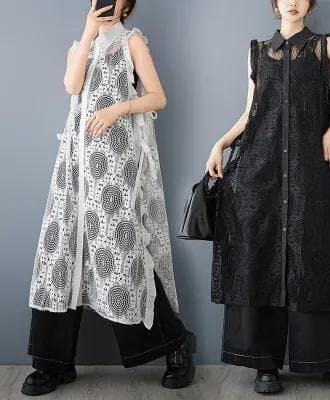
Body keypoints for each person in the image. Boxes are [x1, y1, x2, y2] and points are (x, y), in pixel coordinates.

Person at [21, 0, 195, 396]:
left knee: (121, 251)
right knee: (61, 253)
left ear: (126, 5)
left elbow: (158, 97)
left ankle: (176, 344)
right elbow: (72, 86)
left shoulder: (132, 42)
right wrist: (87, 32)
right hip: (74, 164)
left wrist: (119, 108)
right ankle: (53, 364)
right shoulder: (78, 46)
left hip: (115, 164)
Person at [206, 0, 330, 394]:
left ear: (310, 5)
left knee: (313, 256)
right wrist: (221, 143)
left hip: (307, 171)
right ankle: (264, 363)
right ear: (276, 4)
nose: (292, 2)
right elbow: (251, 113)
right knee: (261, 257)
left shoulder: (324, 47)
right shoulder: (258, 52)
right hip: (259, 172)